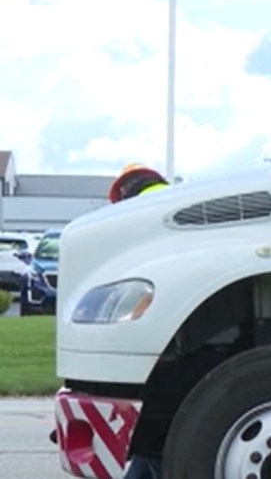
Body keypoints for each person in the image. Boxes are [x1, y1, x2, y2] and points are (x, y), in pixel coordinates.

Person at [107, 163, 167, 479]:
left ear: (124, 192)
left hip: (154, 347)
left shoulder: (137, 215)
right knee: (150, 450)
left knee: (155, 441)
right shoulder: (175, 201)